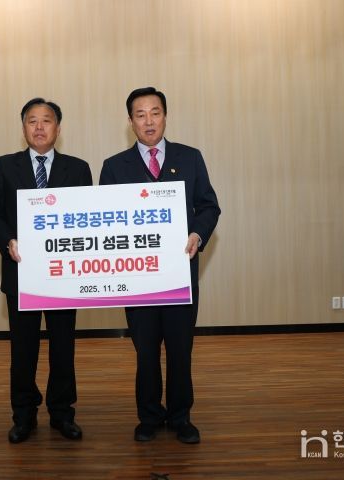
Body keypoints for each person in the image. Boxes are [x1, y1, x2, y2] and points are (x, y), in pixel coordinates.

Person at [99, 87, 221, 444]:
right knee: (146, 351)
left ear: (165, 116)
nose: (148, 121)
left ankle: (181, 417)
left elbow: (209, 206)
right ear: (130, 122)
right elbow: (103, 219)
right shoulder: (114, 166)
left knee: (181, 350)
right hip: (137, 278)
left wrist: (198, 233)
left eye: (155, 112)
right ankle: (149, 416)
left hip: (179, 274)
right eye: (140, 114)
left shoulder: (190, 158)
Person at [0, 98, 92, 444]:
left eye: (47, 120)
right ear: (23, 128)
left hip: (63, 275)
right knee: (23, 350)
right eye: (32, 121)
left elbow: (88, 217)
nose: (39, 127)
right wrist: (8, 240)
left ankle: (62, 413)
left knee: (63, 348)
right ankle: (24, 415)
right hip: (22, 274)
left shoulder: (78, 169)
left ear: (58, 128)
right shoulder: (4, 166)